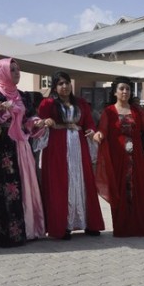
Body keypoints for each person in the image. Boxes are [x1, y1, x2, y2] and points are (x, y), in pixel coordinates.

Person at [94, 77, 144, 237]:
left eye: (128, 89)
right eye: (121, 88)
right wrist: (98, 135)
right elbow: (102, 130)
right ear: (115, 92)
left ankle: (139, 227)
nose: (125, 91)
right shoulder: (109, 112)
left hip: (136, 159)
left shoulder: (137, 111)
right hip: (118, 159)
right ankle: (122, 228)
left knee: (137, 191)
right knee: (120, 191)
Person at [0, 58, 45, 247]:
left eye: (17, 69)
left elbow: (28, 119)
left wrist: (37, 123)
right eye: (12, 70)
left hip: (22, 146)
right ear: (1, 72)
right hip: (4, 149)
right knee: (8, 188)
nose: (17, 73)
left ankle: (29, 229)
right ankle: (8, 234)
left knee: (26, 185)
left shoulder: (23, 95)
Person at [37, 71, 105, 240]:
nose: (65, 86)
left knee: (82, 181)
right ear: (54, 87)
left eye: (67, 82)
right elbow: (38, 123)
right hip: (57, 148)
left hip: (79, 146)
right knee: (61, 183)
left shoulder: (81, 103)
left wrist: (92, 132)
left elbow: (89, 123)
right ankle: (63, 226)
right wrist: (45, 122)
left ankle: (88, 223)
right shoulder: (47, 104)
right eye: (60, 83)